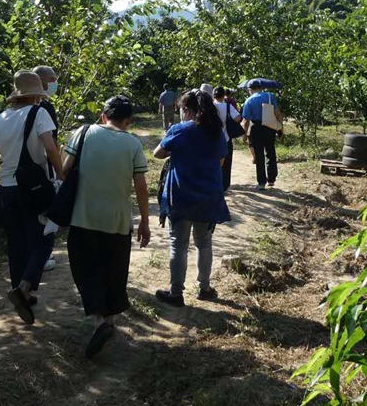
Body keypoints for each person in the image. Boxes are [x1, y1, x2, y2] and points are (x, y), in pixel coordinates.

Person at [61, 96, 151, 358]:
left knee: (85, 270)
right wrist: (145, 222)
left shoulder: (83, 132)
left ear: (103, 116)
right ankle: (108, 320)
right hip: (118, 221)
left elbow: (65, 169)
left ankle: (100, 321)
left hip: (83, 217)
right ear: (128, 121)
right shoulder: (133, 143)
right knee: (113, 271)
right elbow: (141, 186)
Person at [0, 71, 65, 326]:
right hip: (34, 189)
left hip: (6, 191)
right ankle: (25, 287)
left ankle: (20, 292)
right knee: (44, 237)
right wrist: (63, 177)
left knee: (15, 243)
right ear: (36, 95)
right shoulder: (39, 114)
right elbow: (50, 148)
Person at [154, 90, 229, 307]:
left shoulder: (179, 130)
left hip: (181, 194)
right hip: (208, 195)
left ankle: (176, 293)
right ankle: (204, 288)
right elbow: (221, 161)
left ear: (186, 110)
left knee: (178, 244)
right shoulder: (215, 131)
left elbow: (158, 153)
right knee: (204, 243)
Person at [33, 65, 61, 272]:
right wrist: (60, 169)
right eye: (52, 79)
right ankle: (43, 255)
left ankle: (32, 255)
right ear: (41, 81)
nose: (55, 83)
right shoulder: (44, 108)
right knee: (46, 211)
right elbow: (51, 144)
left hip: (21, 171)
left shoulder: (12, 111)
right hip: (43, 167)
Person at [241, 79, 282, 190]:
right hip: (269, 127)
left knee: (259, 156)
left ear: (250, 89)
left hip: (256, 128)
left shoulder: (249, 100)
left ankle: (261, 183)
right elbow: (278, 114)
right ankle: (272, 179)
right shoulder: (270, 96)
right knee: (270, 152)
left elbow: (246, 120)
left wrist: (244, 135)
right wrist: (280, 128)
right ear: (261, 87)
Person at [212, 86, 242, 191]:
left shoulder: (210, 106)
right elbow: (238, 118)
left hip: (212, 139)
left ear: (213, 95)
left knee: (213, 162)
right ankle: (225, 186)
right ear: (223, 95)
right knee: (226, 163)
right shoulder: (228, 106)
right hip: (225, 138)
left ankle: (214, 184)